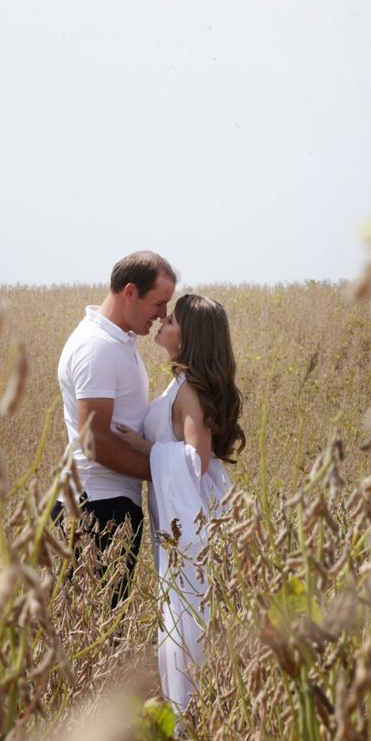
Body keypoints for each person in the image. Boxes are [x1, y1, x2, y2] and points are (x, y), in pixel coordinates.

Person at [115, 294, 245, 713]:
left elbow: (196, 459)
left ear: (187, 337)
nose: (161, 323)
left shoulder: (189, 392)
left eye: (170, 320)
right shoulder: (180, 384)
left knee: (188, 617)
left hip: (189, 523)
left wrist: (144, 447)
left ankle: (194, 719)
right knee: (182, 616)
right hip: (174, 516)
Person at [55, 251, 176, 606]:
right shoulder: (98, 348)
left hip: (107, 505)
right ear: (129, 292)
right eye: (158, 303)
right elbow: (96, 442)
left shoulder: (116, 341)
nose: (163, 315)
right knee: (91, 636)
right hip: (95, 510)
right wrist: (167, 473)